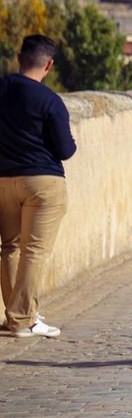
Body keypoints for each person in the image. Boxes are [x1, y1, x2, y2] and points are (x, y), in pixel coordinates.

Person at [0, 35, 76, 339]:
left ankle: (16, 314)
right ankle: (23, 320)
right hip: (42, 182)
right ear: (49, 65)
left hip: (3, 179)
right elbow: (66, 150)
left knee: (9, 247)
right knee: (34, 251)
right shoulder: (50, 101)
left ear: (20, 58)